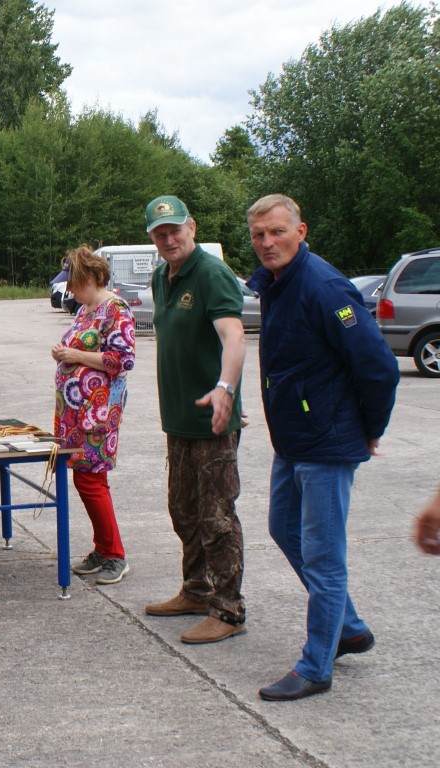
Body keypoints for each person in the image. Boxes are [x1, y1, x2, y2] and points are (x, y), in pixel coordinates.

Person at [244, 194, 399, 701]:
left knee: (324, 558)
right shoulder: (276, 283)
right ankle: (348, 629)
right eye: (259, 234)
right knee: (283, 527)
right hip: (294, 438)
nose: (267, 242)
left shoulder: (324, 287)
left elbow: (380, 367)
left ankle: (316, 666)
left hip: (327, 443)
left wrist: (370, 429)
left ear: (301, 231)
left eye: (277, 231)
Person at [142, 195, 249, 645]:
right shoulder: (161, 277)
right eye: (159, 234)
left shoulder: (211, 273)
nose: (169, 239)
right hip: (178, 420)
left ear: (192, 227)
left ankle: (228, 610)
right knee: (183, 510)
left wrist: (227, 388)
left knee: (216, 518)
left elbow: (234, 336)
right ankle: (196, 590)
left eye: (175, 230)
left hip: (212, 422)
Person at [50, 246, 136, 585]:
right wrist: (62, 353)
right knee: (85, 479)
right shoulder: (86, 310)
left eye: (72, 283)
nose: (69, 290)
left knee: (91, 479)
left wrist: (75, 355)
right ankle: (103, 549)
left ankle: (115, 555)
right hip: (76, 412)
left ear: (91, 277)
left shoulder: (115, 309)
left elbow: (122, 359)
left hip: (98, 413)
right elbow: (79, 348)